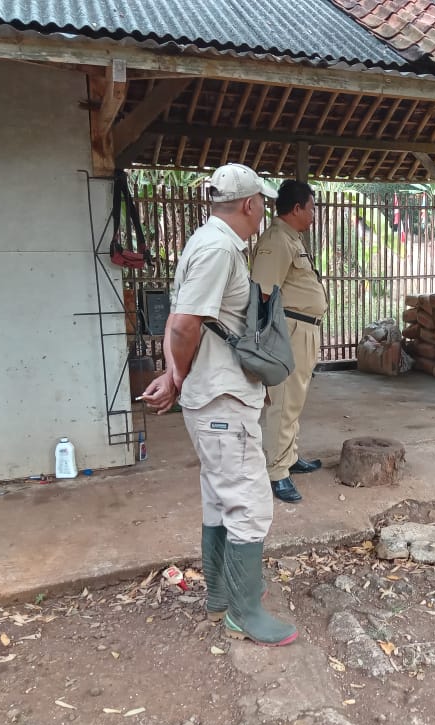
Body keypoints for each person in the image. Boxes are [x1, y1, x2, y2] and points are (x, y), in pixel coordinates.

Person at [140, 163, 297, 647]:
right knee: (248, 502)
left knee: (219, 495)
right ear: (250, 204)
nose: (262, 215)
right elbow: (184, 324)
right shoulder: (218, 249)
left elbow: (182, 322)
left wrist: (176, 374)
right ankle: (244, 612)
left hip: (216, 397)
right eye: (262, 206)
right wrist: (176, 375)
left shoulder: (206, 241)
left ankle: (220, 593)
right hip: (221, 399)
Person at [250, 180, 328, 503]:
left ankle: (289, 457)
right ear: (296, 209)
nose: (313, 215)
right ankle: (275, 472)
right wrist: (270, 340)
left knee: (294, 399)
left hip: (304, 329)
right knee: (282, 402)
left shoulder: (292, 239)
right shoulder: (277, 240)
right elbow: (263, 292)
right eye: (310, 208)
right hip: (290, 331)